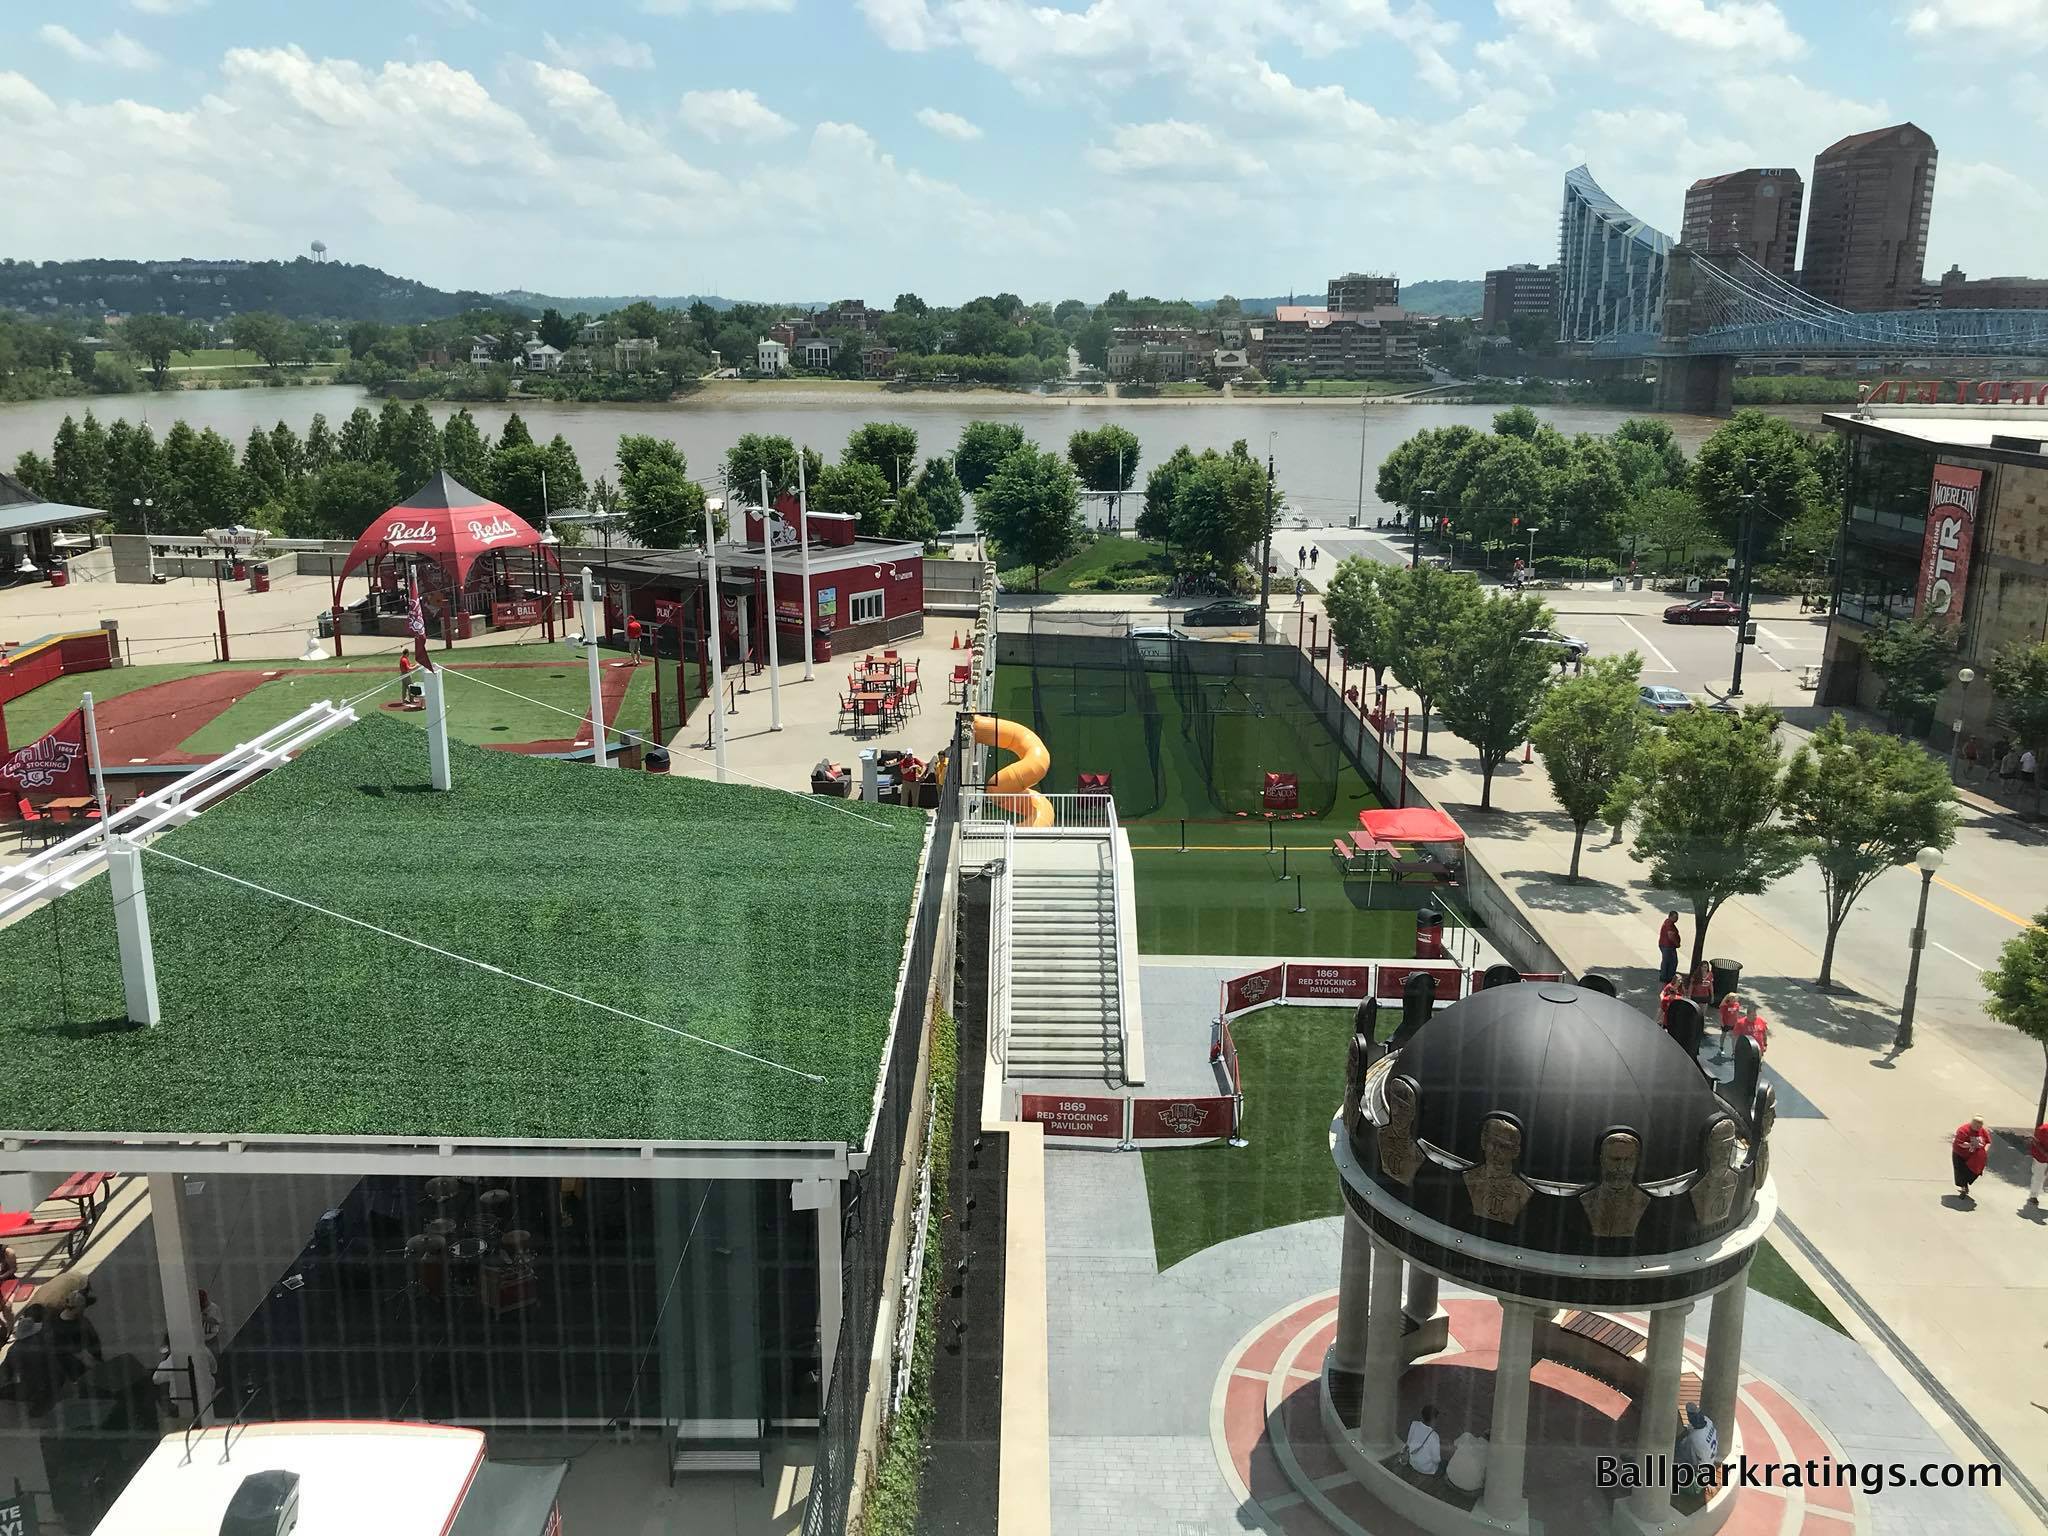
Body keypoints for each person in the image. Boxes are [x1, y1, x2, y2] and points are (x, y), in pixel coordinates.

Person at [1952, 1115, 1992, 1201]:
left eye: (1980, 1126)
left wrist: (1984, 1149)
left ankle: (1965, 1183)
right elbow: (1960, 1143)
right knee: (1960, 1172)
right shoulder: (1963, 1130)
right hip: (1960, 1154)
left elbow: (1988, 1142)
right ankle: (1963, 1188)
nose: (1979, 1128)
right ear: (1972, 1123)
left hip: (1975, 1157)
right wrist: (1972, 1145)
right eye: (1977, 1126)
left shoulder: (1982, 1131)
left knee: (1974, 1172)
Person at [1674, 1403, 1719, 1470]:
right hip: (1709, 1456)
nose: (1696, 1419)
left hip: (1699, 1464)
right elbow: (1689, 1430)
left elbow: (1701, 1465)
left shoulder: (1696, 1438)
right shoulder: (1707, 1420)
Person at [1402, 1405, 1442, 1477]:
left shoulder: (1414, 1424)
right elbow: (1436, 1459)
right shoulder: (1434, 1436)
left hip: (1412, 1462)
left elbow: (1408, 1442)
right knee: (1443, 1465)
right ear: (1434, 1419)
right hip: (1427, 1469)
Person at [1445, 1429, 1489, 1494]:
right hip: (1471, 1488)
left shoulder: (1467, 1436)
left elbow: (1454, 1445)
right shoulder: (1492, 1454)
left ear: (1484, 1432)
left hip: (1451, 1478)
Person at [2027, 1120, 2048, 1209]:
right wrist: (2044, 1152)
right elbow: (2035, 1141)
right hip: (2041, 1157)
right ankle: (2033, 1196)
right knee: (2038, 1177)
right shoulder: (2043, 1129)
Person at [1657, 912, 1681, 986]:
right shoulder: (1669, 924)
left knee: (1668, 961)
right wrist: (1676, 943)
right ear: (1670, 917)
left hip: (1668, 946)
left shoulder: (1669, 923)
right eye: (1675, 917)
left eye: (1677, 917)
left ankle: (1666, 976)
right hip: (1667, 946)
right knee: (1671, 962)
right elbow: (1670, 935)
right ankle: (1667, 977)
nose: (1677, 919)